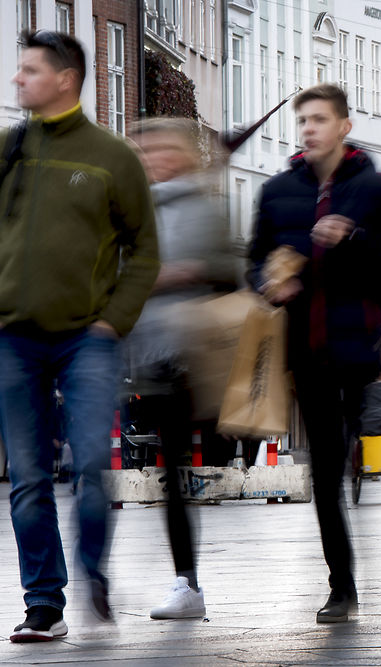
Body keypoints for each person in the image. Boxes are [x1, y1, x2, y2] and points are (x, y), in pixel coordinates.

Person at [0, 31, 159, 642]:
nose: (19, 81)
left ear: (66, 79)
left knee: (92, 464)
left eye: (30, 71)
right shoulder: (11, 150)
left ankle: (92, 567)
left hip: (86, 339)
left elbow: (144, 250)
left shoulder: (112, 157)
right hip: (14, 338)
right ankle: (44, 602)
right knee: (29, 478)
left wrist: (112, 320)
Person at [248, 83, 381, 623]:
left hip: (356, 348)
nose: (310, 129)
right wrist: (269, 282)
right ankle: (341, 584)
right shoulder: (276, 193)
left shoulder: (379, 190)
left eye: (320, 119)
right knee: (325, 470)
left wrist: (356, 237)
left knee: (341, 458)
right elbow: (254, 263)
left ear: (344, 125)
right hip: (305, 351)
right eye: (304, 121)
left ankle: (347, 569)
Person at [128, 118, 236, 620]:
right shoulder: (137, 210)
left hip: (197, 355)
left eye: (160, 149)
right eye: (144, 151)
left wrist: (177, 273)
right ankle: (186, 582)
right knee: (171, 472)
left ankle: (187, 582)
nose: (152, 159)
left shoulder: (201, 206)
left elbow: (226, 272)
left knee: (188, 465)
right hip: (153, 356)